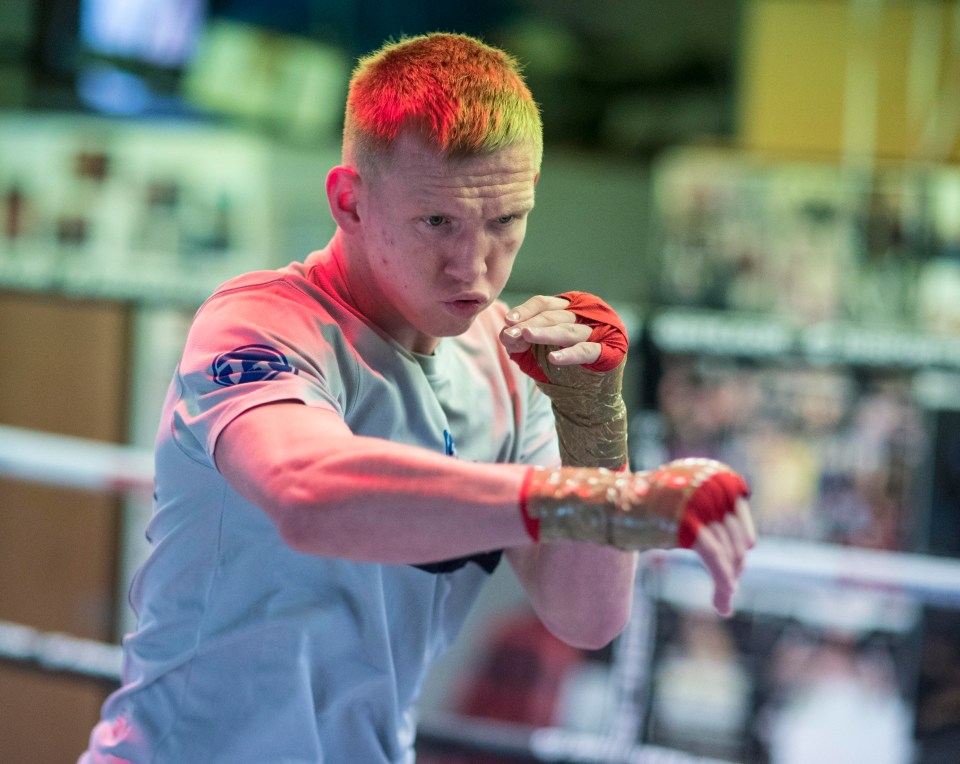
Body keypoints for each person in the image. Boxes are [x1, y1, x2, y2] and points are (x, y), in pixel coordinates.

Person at [81, 32, 755, 763]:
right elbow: (307, 495)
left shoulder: (508, 363)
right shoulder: (260, 324)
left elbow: (586, 616)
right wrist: (604, 502)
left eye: (505, 222)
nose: (475, 266)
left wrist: (593, 425)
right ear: (350, 201)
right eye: (438, 221)